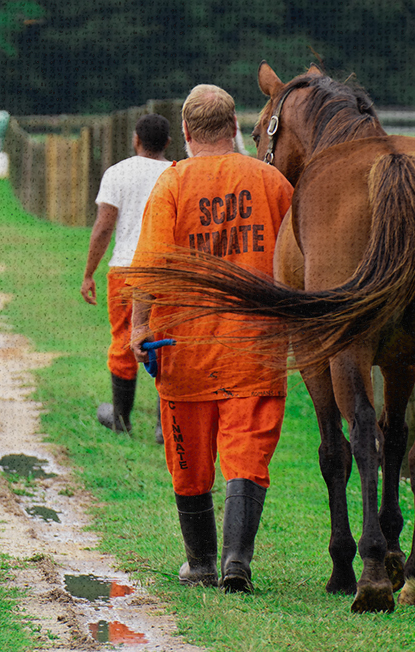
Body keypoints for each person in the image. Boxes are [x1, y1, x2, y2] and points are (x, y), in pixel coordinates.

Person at [128, 84, 293, 592]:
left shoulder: (172, 185)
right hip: (255, 345)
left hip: (185, 346)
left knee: (189, 458)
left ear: (185, 132)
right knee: (246, 454)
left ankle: (200, 562)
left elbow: (152, 264)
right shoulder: (272, 182)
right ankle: (236, 562)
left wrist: (138, 326)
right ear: (236, 126)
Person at [81, 113, 173, 434]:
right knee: (165, 340)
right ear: (168, 143)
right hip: (167, 271)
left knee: (123, 340)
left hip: (125, 269)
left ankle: (121, 419)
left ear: (136, 139)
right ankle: (167, 426)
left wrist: (89, 272)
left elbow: (104, 226)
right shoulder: (176, 173)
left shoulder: (117, 173)